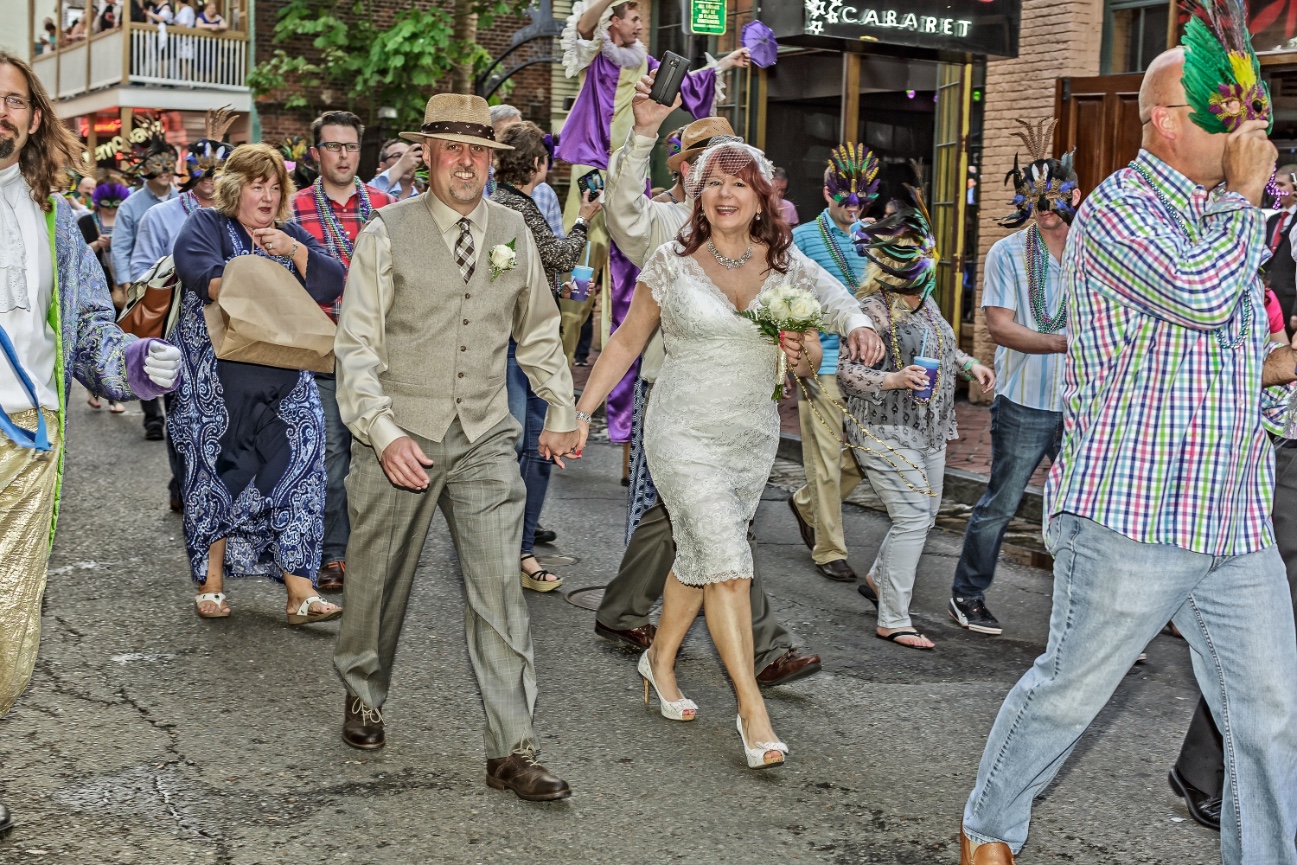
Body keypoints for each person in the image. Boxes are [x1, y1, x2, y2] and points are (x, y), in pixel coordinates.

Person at [957, 35, 1297, 865]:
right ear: (1165, 122)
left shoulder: (1224, 223)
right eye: (1229, 114)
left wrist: (1282, 377)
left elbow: (1234, 359)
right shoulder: (1117, 212)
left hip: (1234, 518)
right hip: (1130, 513)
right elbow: (1196, 295)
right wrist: (1250, 204)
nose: (1249, 129)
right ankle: (987, 827)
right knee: (1069, 693)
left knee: (1269, 715)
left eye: (1252, 112)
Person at [591, 78, 882, 689]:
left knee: (680, 522)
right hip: (672, 394)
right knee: (707, 528)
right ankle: (761, 656)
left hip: (745, 415)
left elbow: (821, 293)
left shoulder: (771, 248)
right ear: (688, 171)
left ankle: (627, 617)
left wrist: (848, 324)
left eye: (735, 171)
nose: (722, 185)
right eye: (708, 168)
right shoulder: (665, 224)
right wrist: (641, 132)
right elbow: (619, 211)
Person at [332, 94, 581, 802]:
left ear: (491, 161)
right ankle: (362, 689)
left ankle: (512, 747)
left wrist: (560, 407)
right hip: (399, 433)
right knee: (377, 582)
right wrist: (382, 433)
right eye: (452, 149)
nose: (466, 162)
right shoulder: (385, 232)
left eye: (479, 151)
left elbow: (536, 331)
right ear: (428, 157)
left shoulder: (512, 231)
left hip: (482, 437)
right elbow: (355, 349)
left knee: (501, 590)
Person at [575, 140, 824, 769]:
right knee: (729, 562)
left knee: (699, 555)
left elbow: (814, 348)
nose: (724, 193)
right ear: (697, 195)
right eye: (712, 183)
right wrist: (579, 414)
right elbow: (627, 341)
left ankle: (659, 659)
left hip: (750, 437)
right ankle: (750, 709)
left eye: (738, 184)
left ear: (760, 195)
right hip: (681, 431)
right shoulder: (670, 262)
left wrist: (805, 355)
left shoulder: (786, 266)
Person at [0, 50, 182, 834]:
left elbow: (86, 329)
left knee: (10, 634)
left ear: (34, 117)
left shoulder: (53, 217)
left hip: (29, 444)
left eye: (11, 100)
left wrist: (133, 363)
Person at [557, 1, 749, 446]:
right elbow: (584, 27)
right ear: (614, 22)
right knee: (575, 284)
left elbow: (688, 83)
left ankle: (624, 418)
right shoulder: (600, 53)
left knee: (630, 292)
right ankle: (557, 379)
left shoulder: (646, 63)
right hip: (593, 171)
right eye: (635, 17)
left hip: (632, 177)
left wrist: (723, 62)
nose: (642, 25)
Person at [169, 143, 345, 624]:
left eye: (274, 187)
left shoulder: (286, 232)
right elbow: (199, 275)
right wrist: (260, 275)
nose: (266, 197)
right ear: (234, 188)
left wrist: (295, 251)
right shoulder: (206, 224)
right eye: (256, 186)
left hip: (286, 379)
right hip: (218, 385)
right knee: (219, 474)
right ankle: (212, 582)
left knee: (303, 470)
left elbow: (332, 283)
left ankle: (300, 593)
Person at [841, 190, 994, 651]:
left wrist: (970, 366)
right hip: (883, 429)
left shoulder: (925, 303)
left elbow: (943, 345)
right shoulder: (868, 311)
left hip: (931, 428)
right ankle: (893, 618)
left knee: (923, 518)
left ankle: (878, 577)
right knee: (910, 518)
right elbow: (848, 373)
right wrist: (893, 379)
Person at [949, 119, 1079, 636]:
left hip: (1084, 401)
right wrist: (1064, 342)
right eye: (1037, 203)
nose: (1047, 213)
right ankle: (968, 593)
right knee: (1000, 503)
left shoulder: (1096, 251)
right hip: (1024, 401)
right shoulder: (1006, 252)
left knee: (1084, 512)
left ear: (1074, 195)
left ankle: (1086, 617)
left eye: (1055, 200)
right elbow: (1000, 328)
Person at [288, 109, 394, 594]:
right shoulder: (293, 208)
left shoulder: (386, 204)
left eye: (351, 145)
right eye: (333, 146)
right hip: (325, 351)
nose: (344, 155)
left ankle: (371, 551)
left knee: (375, 454)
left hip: (380, 351)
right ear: (317, 154)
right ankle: (332, 553)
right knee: (332, 454)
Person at [491, 120, 598, 591]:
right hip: (519, 343)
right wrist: (584, 221)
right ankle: (507, 547)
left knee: (537, 443)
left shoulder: (500, 202)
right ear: (536, 164)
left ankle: (517, 548)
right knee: (524, 443)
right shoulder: (515, 205)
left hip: (523, 336)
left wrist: (570, 287)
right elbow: (555, 254)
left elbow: (520, 272)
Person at [132, 108, 237, 513]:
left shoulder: (235, 219)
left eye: (218, 172)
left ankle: (218, 487)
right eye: (204, 172)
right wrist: (184, 266)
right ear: (191, 173)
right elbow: (142, 270)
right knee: (181, 413)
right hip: (176, 329)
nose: (211, 180)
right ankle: (183, 482)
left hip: (227, 330)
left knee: (227, 412)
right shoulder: (161, 215)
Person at [788, 143, 881, 583]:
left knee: (865, 457)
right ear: (827, 194)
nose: (852, 207)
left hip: (867, 367)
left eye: (860, 198)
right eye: (844, 198)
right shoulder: (802, 238)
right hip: (822, 362)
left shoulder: (874, 237)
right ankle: (829, 549)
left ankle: (806, 504)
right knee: (825, 458)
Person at [112, 131, 177, 441]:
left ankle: (175, 407)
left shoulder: (184, 200)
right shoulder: (131, 206)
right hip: (145, 285)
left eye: (170, 164)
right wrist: (125, 285)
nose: (165, 170)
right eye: (159, 164)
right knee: (147, 346)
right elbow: (121, 247)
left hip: (180, 287)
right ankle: (153, 416)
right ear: (147, 168)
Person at [77, 180, 131, 414]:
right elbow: (77, 253)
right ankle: (94, 387)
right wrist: (97, 244)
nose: (111, 208)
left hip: (121, 284)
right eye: (107, 203)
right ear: (99, 202)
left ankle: (113, 393)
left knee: (117, 335)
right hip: (96, 285)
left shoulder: (125, 219)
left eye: (116, 203)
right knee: (98, 335)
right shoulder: (87, 221)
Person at [487, 105, 564, 236]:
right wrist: (583, 221)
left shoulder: (544, 191)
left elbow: (557, 243)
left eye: (519, 132)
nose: (517, 141)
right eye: (508, 133)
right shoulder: (474, 182)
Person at [1265, 163, 1297, 334]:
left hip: (1290, 304)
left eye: (1282, 185)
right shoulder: (1272, 220)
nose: (1276, 190)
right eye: (1274, 184)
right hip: (1270, 304)